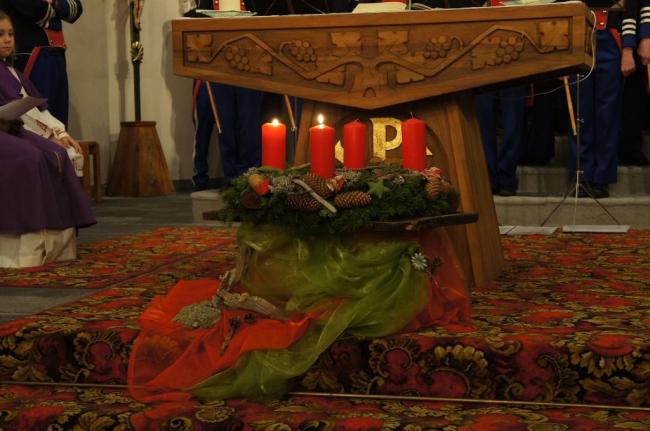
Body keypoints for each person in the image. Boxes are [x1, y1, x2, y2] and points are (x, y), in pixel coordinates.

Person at [0, 10, 95, 268]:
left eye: (10, 34)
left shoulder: (13, 72)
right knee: (30, 158)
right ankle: (25, 244)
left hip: (12, 129)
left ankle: (55, 244)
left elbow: (36, 110)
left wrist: (58, 133)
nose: (7, 40)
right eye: (1, 34)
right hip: (7, 133)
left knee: (59, 154)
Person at [186, 0, 263, 191]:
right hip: (220, 67)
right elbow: (195, 17)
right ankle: (231, 177)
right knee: (225, 125)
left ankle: (250, 174)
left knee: (248, 124)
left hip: (251, 65)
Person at [568, 0, 639, 198]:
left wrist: (627, 49)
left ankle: (602, 177)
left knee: (607, 114)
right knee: (580, 111)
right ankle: (581, 175)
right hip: (578, 37)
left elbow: (629, 11)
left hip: (610, 37)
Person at [0, 0, 83, 126]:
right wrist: (60, 11)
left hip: (57, 53)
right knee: (36, 118)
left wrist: (54, 2)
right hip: (32, 54)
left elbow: (76, 10)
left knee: (59, 120)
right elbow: (38, 10)